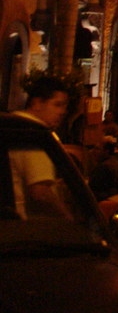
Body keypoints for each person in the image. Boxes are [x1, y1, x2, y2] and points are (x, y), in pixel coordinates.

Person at [12, 74, 74, 219]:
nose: (62, 112)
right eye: (57, 104)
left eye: (65, 106)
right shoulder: (34, 134)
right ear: (37, 103)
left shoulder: (13, 126)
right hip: (26, 230)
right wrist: (69, 221)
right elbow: (41, 192)